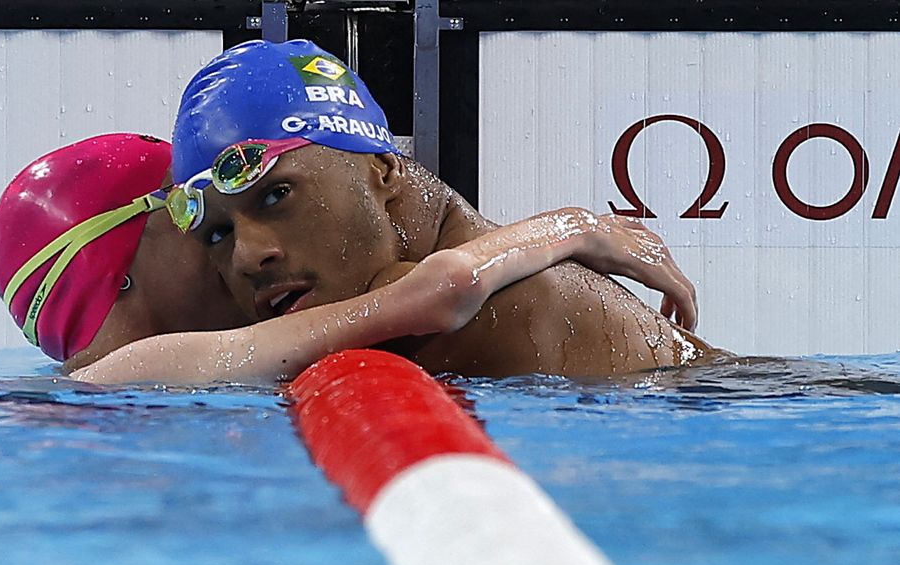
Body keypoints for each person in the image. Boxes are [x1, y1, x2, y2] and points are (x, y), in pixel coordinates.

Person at [169, 39, 717, 378]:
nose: (247, 256)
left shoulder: (498, 308)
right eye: (217, 234)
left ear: (384, 170)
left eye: (276, 195)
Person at [0, 134, 699, 385]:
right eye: (203, 223)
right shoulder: (137, 375)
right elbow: (436, 291)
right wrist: (574, 228)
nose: (243, 253)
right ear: (126, 271)